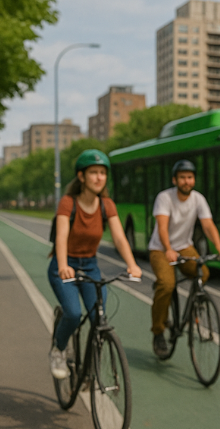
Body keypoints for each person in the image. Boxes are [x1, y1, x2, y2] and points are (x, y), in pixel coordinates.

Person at [49, 149, 142, 379]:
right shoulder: (68, 203)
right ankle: (58, 349)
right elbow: (61, 236)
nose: (99, 177)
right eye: (94, 173)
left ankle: (89, 367)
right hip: (65, 264)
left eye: (103, 173)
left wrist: (132, 264)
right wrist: (63, 265)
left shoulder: (106, 205)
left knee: (98, 319)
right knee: (72, 313)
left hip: (90, 265)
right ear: (81, 177)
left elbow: (120, 238)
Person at [149, 159, 220, 357]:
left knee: (203, 273)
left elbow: (208, 225)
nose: (187, 181)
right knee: (167, 285)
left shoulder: (198, 199)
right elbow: (162, 226)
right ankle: (158, 331)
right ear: (175, 180)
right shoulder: (165, 197)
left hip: (185, 247)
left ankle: (195, 303)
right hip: (161, 248)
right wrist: (168, 248)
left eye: (190, 177)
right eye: (183, 178)